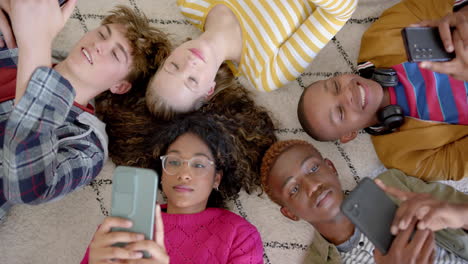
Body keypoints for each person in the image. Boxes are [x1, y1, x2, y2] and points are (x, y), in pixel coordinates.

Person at [0, 0, 170, 220]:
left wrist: (36, 43)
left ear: (119, 86)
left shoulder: (88, 145)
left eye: (115, 54)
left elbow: (27, 188)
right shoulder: (16, 43)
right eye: (102, 34)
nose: (99, 45)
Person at [80, 103, 277, 263]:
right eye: (173, 162)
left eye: (199, 164)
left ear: (216, 178)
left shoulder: (240, 235)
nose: (184, 174)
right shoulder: (121, 226)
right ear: (162, 173)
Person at [297, 0, 468, 181]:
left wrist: (463, 13)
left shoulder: (380, 34)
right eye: (340, 112)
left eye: (336, 86)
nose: (347, 94)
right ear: (348, 135)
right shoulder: (404, 158)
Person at [260, 139, 468, 264]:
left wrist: (458, 214)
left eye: (313, 168)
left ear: (331, 168)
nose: (312, 186)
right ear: (290, 213)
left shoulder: (391, 184)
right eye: (294, 189)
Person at [145, 0, 358, 118]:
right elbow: (341, 11)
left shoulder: (190, 2)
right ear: (209, 90)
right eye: (192, 81)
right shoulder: (266, 72)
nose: (189, 64)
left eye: (173, 66)